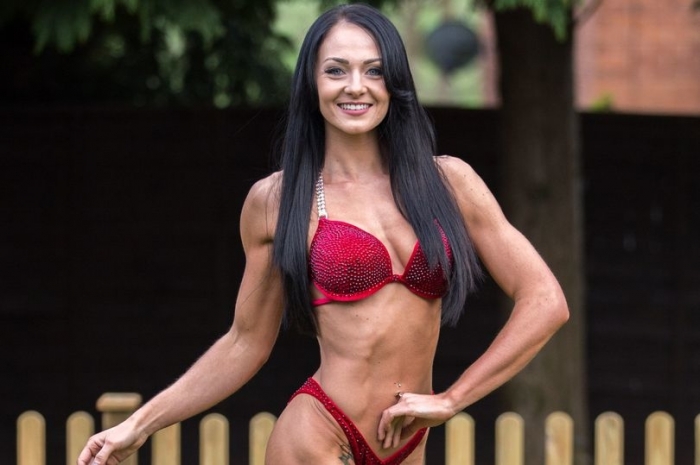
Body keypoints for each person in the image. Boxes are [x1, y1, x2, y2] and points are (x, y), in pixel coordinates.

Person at [77, 3, 569, 465]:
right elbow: (245, 342)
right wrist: (139, 424)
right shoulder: (277, 201)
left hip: (407, 445)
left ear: (395, 82)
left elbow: (546, 301)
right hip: (321, 434)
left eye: (374, 71)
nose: (356, 86)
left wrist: (453, 398)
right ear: (311, 83)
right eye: (336, 70)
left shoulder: (449, 183)